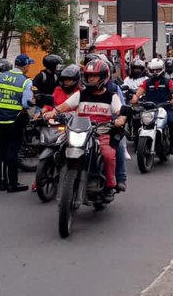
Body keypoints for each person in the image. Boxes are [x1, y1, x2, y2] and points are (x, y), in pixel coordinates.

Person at [43, 59, 126, 195]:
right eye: (88, 76)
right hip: (80, 131)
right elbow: (65, 105)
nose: (90, 79)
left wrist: (120, 119)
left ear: (103, 76)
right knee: (60, 147)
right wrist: (53, 112)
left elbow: (120, 112)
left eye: (94, 76)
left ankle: (111, 183)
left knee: (108, 154)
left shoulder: (112, 97)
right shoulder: (81, 94)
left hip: (102, 133)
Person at [0, 54, 34, 192]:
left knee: (2, 149)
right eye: (29, 65)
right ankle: (13, 184)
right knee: (12, 151)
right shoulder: (26, 81)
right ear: (25, 66)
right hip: (15, 120)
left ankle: (3, 182)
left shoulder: (0, 76)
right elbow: (26, 104)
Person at [132, 57, 173, 154]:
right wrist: (134, 99)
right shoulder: (146, 82)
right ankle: (138, 144)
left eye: (157, 70)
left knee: (172, 122)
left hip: (165, 108)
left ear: (162, 69)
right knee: (136, 120)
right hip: (149, 109)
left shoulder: (168, 81)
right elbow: (138, 93)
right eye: (152, 70)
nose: (155, 72)